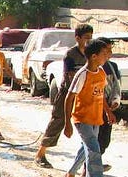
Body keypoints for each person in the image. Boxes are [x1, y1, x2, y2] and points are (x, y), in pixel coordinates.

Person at [34, 23, 94, 168]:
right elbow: (70, 75)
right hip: (68, 93)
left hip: (85, 95)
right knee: (58, 122)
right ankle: (40, 154)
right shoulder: (71, 54)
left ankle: (90, 161)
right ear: (77, 38)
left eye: (91, 38)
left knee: (89, 128)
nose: (89, 41)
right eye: (86, 38)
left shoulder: (91, 54)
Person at [61, 38, 111, 177]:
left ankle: (70, 174)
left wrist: (108, 111)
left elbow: (101, 94)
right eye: (105, 53)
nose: (108, 55)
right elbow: (69, 97)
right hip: (82, 118)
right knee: (93, 150)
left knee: (86, 150)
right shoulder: (82, 74)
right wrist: (67, 123)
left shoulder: (101, 72)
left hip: (95, 118)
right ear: (94, 56)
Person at [94, 36, 121, 173]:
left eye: (110, 50)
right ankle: (89, 167)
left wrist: (115, 101)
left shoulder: (112, 67)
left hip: (108, 107)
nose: (109, 54)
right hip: (94, 109)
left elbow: (116, 86)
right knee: (93, 140)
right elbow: (98, 93)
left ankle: (95, 163)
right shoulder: (93, 68)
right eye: (106, 51)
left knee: (104, 140)